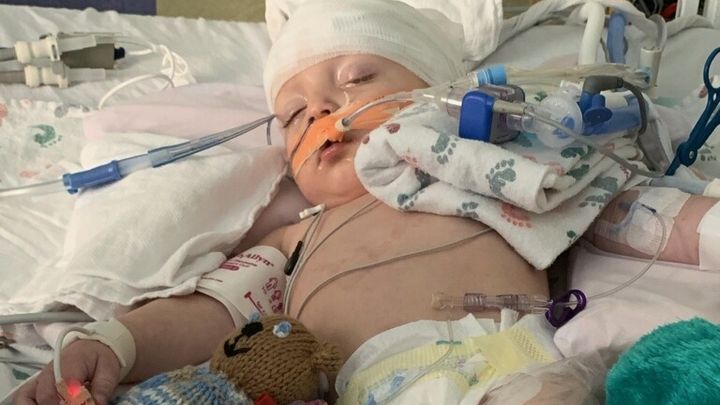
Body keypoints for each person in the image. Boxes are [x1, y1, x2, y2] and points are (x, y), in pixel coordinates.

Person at [13, 0, 718, 403]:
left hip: (528, 367)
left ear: (440, 97)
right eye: (295, 115)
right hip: (383, 384)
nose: (323, 111)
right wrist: (116, 342)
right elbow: (213, 314)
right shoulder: (303, 236)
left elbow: (627, 216)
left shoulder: (489, 171)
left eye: (356, 79)